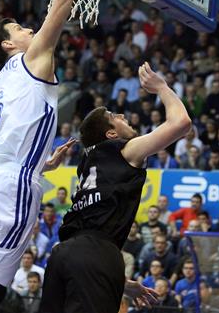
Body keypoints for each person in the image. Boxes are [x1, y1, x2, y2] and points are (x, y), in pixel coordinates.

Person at [0, 0, 86, 313]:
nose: (29, 30)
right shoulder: (32, 58)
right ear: (8, 45)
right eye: (19, 29)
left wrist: (40, 164)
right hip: (11, 185)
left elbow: (1, 145)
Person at [40, 62, 191, 313]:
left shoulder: (87, 162)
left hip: (62, 254)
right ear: (111, 134)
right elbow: (181, 123)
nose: (121, 116)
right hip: (97, 254)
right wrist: (163, 88)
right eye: (114, 117)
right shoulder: (125, 150)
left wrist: (118, 282)